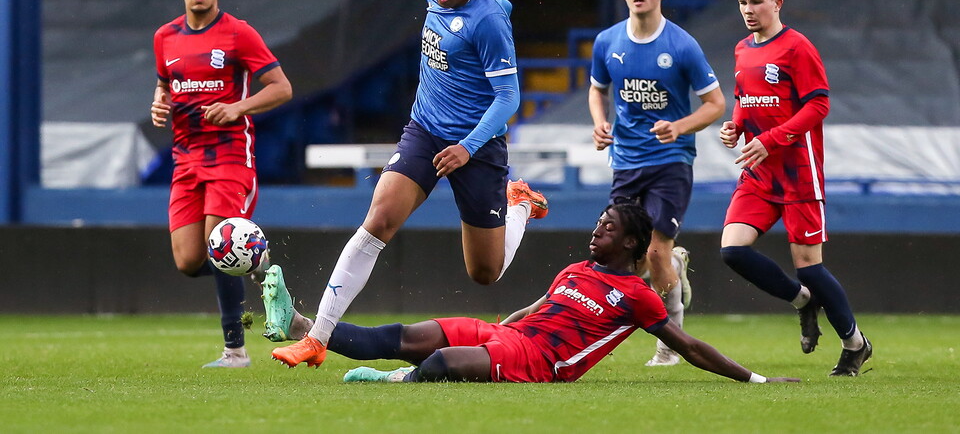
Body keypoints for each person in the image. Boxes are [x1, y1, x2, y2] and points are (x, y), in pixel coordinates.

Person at [266, 0, 547, 368]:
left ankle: (519, 205)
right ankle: (317, 337)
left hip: (476, 146)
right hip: (424, 129)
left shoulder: (489, 21)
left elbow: (509, 97)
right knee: (378, 219)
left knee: (484, 273)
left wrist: (467, 148)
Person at [275, 203, 798, 384]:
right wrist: (511, 319)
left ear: (633, 242)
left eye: (608, 227)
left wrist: (754, 377)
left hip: (539, 360)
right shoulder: (575, 268)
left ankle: (391, 382)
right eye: (599, 222)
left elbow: (688, 346)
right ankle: (302, 326)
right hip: (509, 333)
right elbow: (541, 306)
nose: (597, 230)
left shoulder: (638, 295)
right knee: (404, 334)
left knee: (441, 363)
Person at [718, 0, 872, 376]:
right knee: (732, 250)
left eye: (756, 2)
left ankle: (855, 344)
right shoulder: (742, 49)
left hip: (798, 173)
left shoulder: (797, 47)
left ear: (777, 3)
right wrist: (735, 125)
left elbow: (818, 105)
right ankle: (803, 301)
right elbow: (744, 98)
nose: (748, 10)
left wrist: (769, 140)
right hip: (758, 174)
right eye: (742, 3)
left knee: (810, 265)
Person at [150, 0, 293, 368]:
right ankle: (258, 260)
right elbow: (164, 86)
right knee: (188, 260)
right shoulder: (165, 38)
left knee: (219, 246)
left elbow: (282, 88)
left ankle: (235, 350)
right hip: (185, 159)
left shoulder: (238, 34)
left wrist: (238, 107)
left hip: (230, 155)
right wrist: (159, 104)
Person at [588, 0, 725, 366]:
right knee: (623, 255)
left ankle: (670, 344)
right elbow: (597, 90)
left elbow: (715, 104)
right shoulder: (607, 42)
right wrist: (600, 123)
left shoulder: (681, 45)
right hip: (625, 162)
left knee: (657, 251)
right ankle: (673, 275)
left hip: (671, 161)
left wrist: (679, 127)